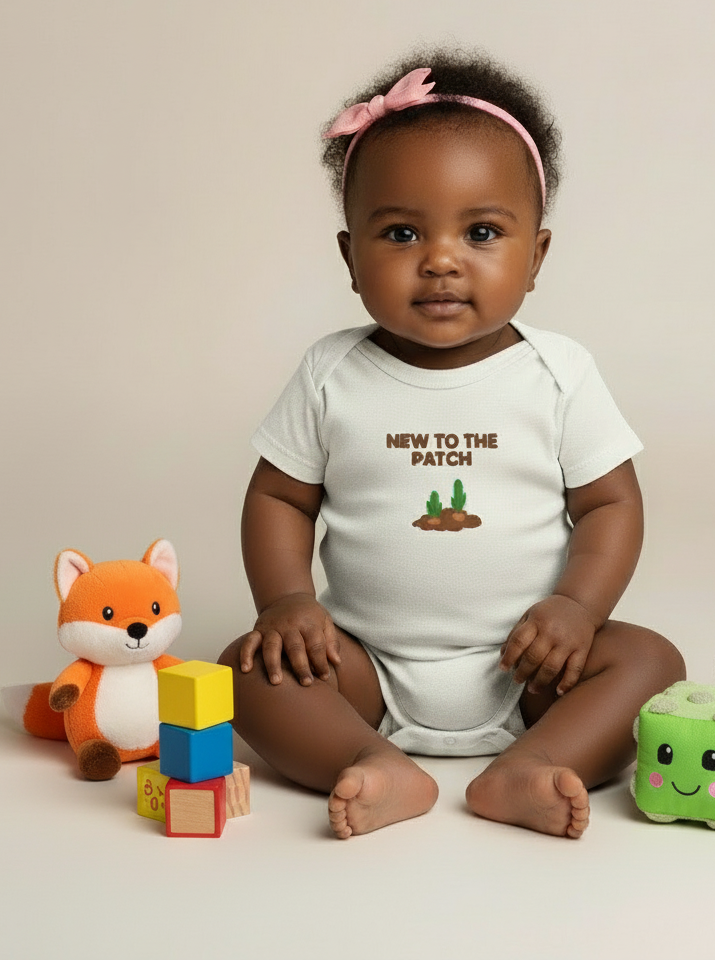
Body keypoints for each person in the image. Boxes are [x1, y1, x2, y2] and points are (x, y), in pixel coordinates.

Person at [218, 49, 685, 840]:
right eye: (401, 232)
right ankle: (368, 760)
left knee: (651, 662)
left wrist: (577, 608)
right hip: (364, 668)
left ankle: (533, 763)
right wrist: (289, 603)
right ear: (350, 257)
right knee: (245, 666)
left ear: (534, 256)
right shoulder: (333, 371)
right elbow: (278, 496)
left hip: (535, 669)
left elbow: (610, 502)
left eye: (481, 232)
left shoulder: (558, 373)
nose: (440, 259)